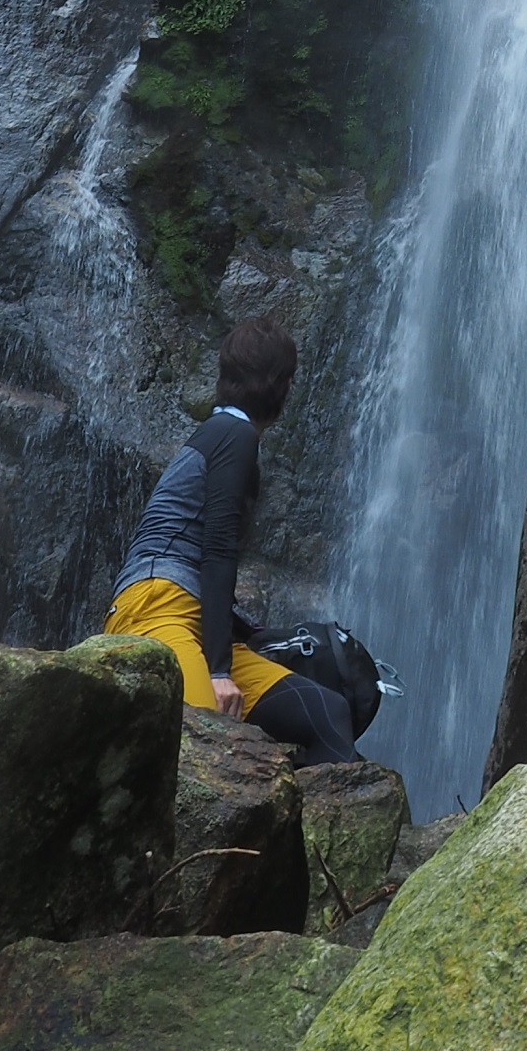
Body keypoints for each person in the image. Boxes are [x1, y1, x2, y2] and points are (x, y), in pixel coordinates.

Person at [103, 314, 358, 763]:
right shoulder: (234, 435)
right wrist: (219, 670)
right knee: (206, 745)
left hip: (193, 618)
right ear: (281, 385)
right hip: (156, 606)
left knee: (326, 711)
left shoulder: (223, 434)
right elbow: (217, 550)